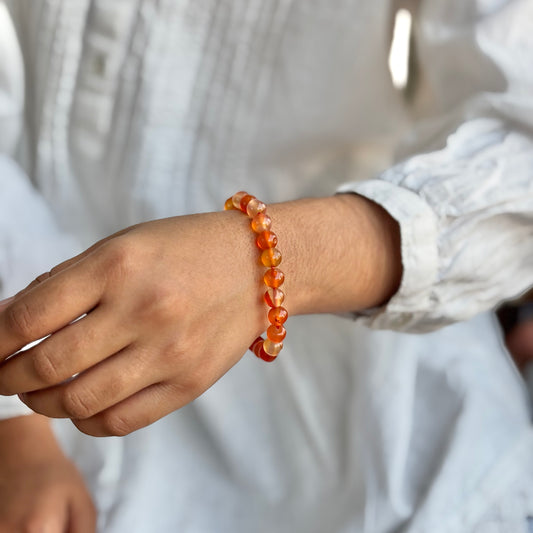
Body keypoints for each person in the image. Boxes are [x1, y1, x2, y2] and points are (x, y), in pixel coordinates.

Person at [0, 0, 532, 531]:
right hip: (42, 388)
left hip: (370, 412)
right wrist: (16, 428)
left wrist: (266, 262)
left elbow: (519, 136)